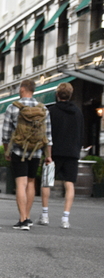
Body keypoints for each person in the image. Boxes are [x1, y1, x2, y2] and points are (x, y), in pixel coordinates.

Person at [2, 79, 53, 231]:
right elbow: (48, 136)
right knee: (31, 183)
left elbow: (6, 134)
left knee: (21, 184)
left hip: (19, 150)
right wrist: (48, 155)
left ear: (23, 89)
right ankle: (28, 217)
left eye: (20, 88)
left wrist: (7, 151)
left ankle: (22, 219)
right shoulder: (43, 109)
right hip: (36, 151)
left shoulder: (13, 108)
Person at [39, 82, 83, 229]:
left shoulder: (51, 111)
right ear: (70, 95)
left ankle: (45, 215)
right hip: (72, 152)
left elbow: (46, 134)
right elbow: (81, 133)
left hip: (54, 152)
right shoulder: (78, 112)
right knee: (69, 184)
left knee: (47, 182)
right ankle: (65, 218)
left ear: (57, 95)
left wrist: (46, 152)